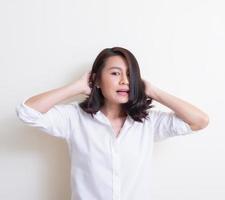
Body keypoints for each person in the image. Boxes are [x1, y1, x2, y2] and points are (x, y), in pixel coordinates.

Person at [16, 46, 209, 200]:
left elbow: (199, 121)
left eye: (130, 74)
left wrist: (153, 91)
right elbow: (27, 112)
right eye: (115, 73)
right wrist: (76, 87)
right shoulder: (74, 118)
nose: (125, 81)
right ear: (97, 80)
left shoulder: (148, 122)